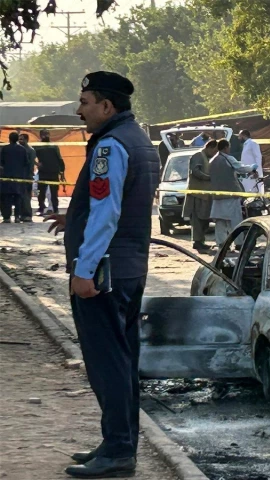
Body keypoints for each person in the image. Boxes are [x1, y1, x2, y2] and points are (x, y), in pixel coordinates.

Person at [45, 71, 159, 479]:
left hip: (105, 274)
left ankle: (118, 451)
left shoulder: (109, 146)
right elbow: (117, 204)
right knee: (123, 362)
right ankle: (118, 442)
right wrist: (71, 216)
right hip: (129, 269)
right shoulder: (139, 140)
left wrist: (84, 269)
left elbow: (107, 213)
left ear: (106, 106)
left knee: (107, 364)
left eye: (85, 102)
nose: (79, 111)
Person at [209, 139, 257, 249]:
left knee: (220, 221)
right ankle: (238, 244)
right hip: (230, 194)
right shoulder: (227, 158)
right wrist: (251, 168)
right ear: (226, 147)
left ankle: (221, 244)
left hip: (217, 196)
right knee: (235, 220)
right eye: (229, 147)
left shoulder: (212, 160)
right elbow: (240, 168)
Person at [183, 140, 218, 252]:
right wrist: (208, 177)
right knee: (197, 220)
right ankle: (197, 242)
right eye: (214, 151)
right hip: (197, 194)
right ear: (210, 148)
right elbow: (195, 171)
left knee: (204, 219)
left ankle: (201, 241)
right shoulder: (198, 156)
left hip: (205, 194)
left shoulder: (206, 158)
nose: (214, 153)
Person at [34, 128, 66, 215]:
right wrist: (37, 164)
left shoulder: (54, 146)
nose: (46, 136)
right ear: (40, 136)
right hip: (43, 173)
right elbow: (29, 156)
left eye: (47, 134)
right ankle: (41, 208)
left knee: (54, 193)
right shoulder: (37, 146)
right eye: (44, 134)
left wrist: (62, 172)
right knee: (41, 193)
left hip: (54, 172)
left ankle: (55, 209)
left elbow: (59, 159)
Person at [0, 132, 30, 223]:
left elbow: (1, 162)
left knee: (7, 198)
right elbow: (26, 163)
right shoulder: (22, 149)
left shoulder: (5, 149)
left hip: (7, 177)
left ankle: (7, 217)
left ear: (9, 139)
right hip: (19, 177)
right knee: (18, 197)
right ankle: (17, 216)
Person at [18, 133, 37, 222]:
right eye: (19, 139)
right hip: (21, 176)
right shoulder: (21, 149)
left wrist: (28, 176)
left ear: (26, 140)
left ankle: (27, 215)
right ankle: (22, 214)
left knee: (26, 197)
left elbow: (30, 165)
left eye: (22, 139)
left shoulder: (30, 150)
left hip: (26, 176)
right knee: (21, 196)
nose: (20, 141)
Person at [238, 129, 263, 193]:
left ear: (244, 135)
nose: (239, 138)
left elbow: (258, 157)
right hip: (248, 173)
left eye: (239, 136)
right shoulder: (246, 145)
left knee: (255, 191)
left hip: (254, 173)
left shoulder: (252, 143)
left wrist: (256, 171)